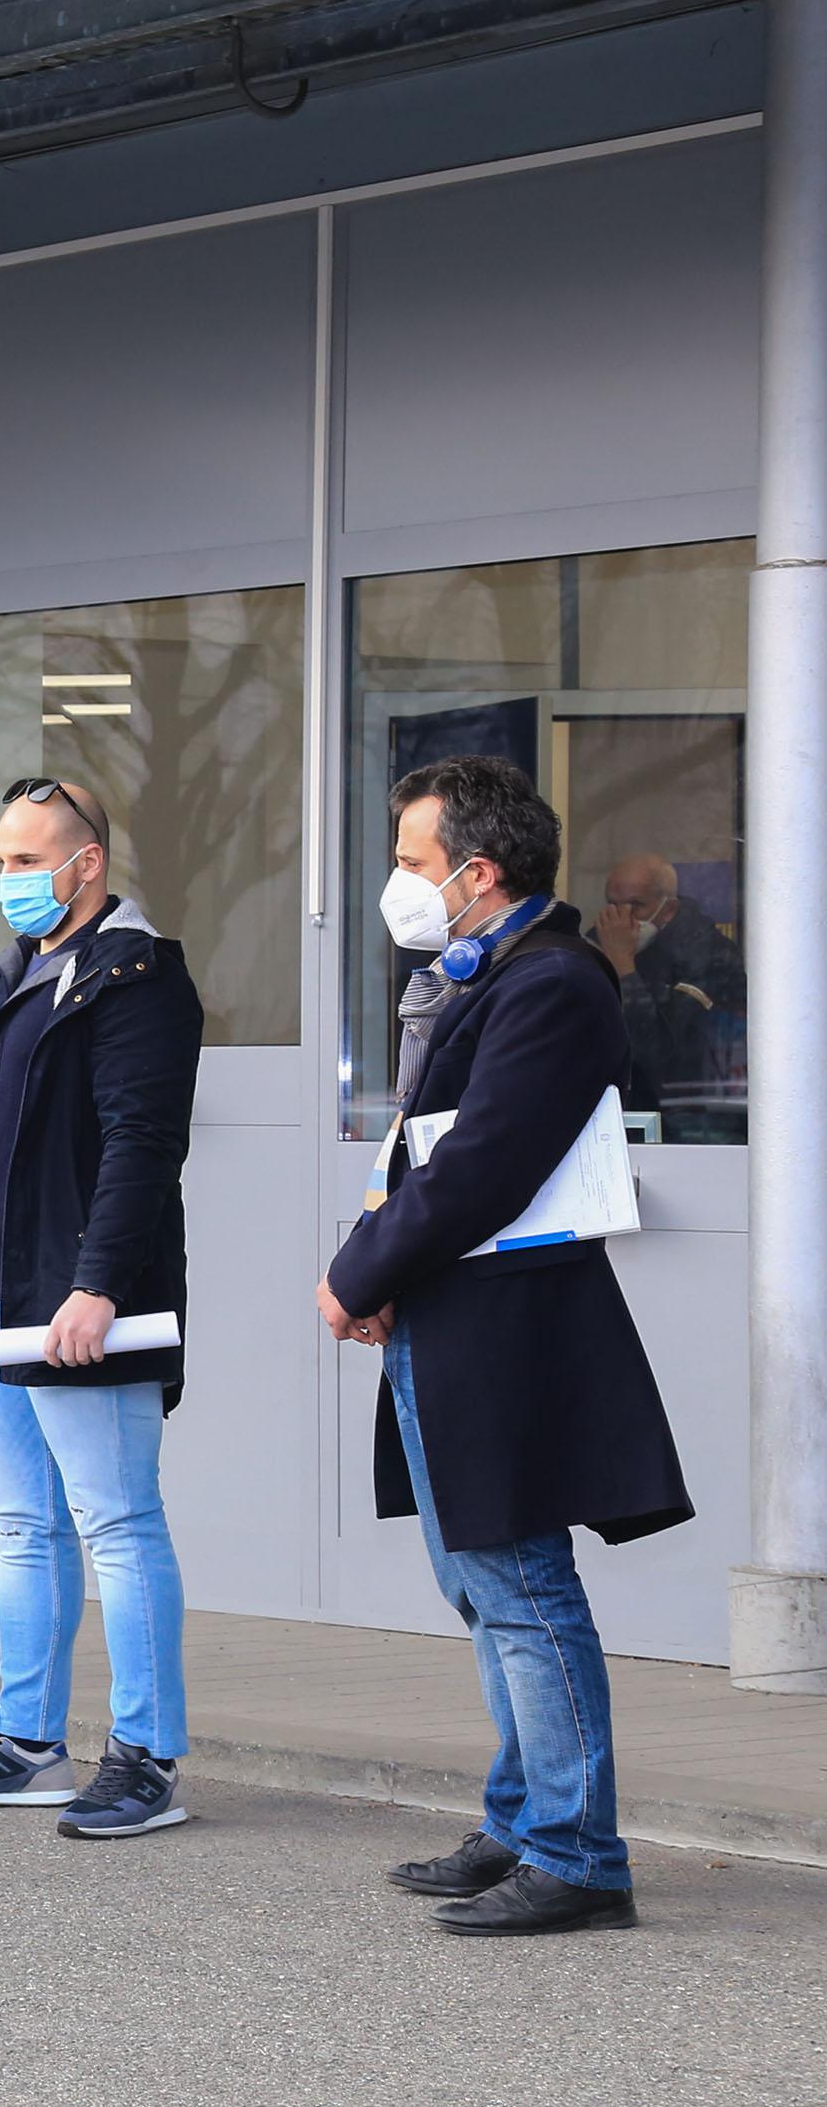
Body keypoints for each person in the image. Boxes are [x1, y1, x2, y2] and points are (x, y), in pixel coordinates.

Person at [321, 756, 693, 1935]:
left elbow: (481, 1164)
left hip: (509, 1327)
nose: (399, 883)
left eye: (412, 863)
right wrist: (379, 1263)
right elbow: (421, 1153)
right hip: (452, 1315)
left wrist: (356, 1272)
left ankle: (578, 1852)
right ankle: (524, 1815)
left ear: (477, 872)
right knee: (482, 1582)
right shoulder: (479, 971)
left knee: (523, 1584)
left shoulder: (552, 981)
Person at [0, 777, 202, 1839]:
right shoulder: (7, 980)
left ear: (87, 864)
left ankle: (148, 1757)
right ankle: (26, 1742)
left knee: (116, 1521)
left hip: (75, 1307)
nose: (9, 879)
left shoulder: (138, 979)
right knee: (24, 1525)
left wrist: (98, 1283)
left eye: (28, 860)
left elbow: (141, 1145)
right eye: (1, 859)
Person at [592, 852, 746, 1131]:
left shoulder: (709, 955)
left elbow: (664, 1056)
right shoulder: (596, 944)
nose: (621, 918)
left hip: (691, 1123)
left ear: (668, 910)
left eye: (635, 905)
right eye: (613, 905)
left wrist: (623, 967)